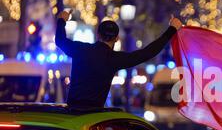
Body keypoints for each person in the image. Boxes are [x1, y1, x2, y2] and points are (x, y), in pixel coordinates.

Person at [55, 10, 183, 109]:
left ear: (98, 35)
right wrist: (171, 30)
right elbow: (147, 53)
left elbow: (60, 40)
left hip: (72, 110)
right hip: (93, 115)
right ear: (116, 38)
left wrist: (62, 19)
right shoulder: (114, 59)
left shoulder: (80, 49)